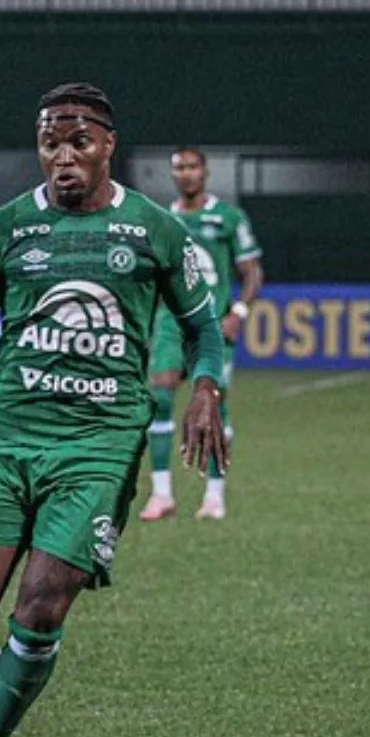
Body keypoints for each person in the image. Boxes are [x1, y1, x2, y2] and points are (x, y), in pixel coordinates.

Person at [0, 83, 228, 737]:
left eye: (78, 143)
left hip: (98, 446)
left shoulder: (152, 229)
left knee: (44, 608)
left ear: (107, 146)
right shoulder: (4, 229)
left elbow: (202, 324)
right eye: (51, 144)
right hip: (10, 439)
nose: (63, 158)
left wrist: (206, 385)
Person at [137, 147, 263, 522]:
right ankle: (161, 494)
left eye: (193, 167)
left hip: (212, 323)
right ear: (173, 175)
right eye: (179, 168)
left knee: (214, 403)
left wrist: (238, 311)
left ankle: (214, 495)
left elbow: (252, 271)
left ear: (205, 172)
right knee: (160, 397)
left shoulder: (227, 217)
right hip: (170, 324)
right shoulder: (162, 221)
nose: (187, 174)